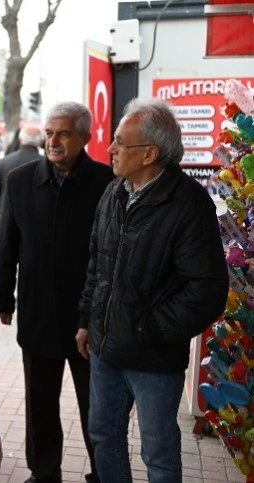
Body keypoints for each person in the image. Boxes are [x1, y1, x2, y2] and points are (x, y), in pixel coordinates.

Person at [76, 98, 228, 483]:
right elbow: (97, 263)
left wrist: (149, 330)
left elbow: (207, 290)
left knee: (158, 454)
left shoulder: (188, 203)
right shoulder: (114, 192)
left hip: (154, 360)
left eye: (119, 143)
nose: (109, 149)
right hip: (105, 350)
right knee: (103, 437)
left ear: (149, 153)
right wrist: (86, 321)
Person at [0, 102, 114, 483]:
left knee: (97, 404)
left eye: (63, 133)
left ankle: (103, 471)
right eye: (48, 133)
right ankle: (44, 472)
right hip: (38, 309)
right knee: (40, 403)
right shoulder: (22, 178)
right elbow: (7, 240)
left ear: (85, 138)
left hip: (87, 315)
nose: (53, 141)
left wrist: (98, 311)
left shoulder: (106, 181)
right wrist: (1, 297)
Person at [0, 125, 44, 205]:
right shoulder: (45, 163)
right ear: (40, 142)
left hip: (7, 213)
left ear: (20, 140)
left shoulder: (3, 162)